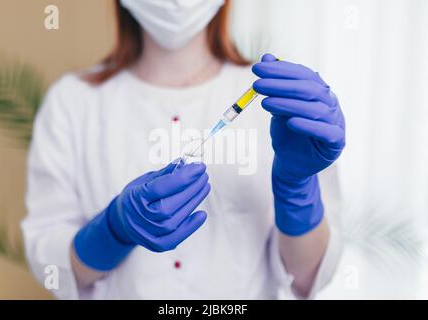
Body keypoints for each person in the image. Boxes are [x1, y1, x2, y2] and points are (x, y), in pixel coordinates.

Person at [22, 0, 345, 299]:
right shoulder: (73, 103)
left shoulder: (277, 99)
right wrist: (113, 229)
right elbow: (52, 268)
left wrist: (297, 188)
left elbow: (306, 277)